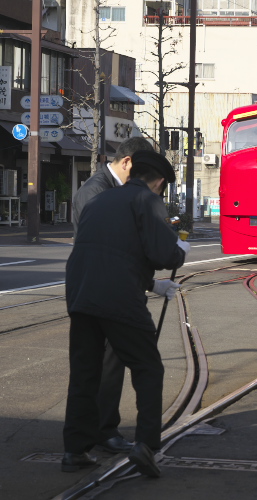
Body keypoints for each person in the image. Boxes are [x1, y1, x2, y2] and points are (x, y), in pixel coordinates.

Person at [62, 151, 189, 477]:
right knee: (148, 368)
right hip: (119, 300)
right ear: (159, 181)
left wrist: (149, 282)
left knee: (85, 373)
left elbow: (112, 253)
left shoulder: (99, 201)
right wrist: (179, 250)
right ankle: (146, 445)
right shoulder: (146, 201)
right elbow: (164, 254)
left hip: (81, 295)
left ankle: (75, 450)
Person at [70, 137, 155, 456]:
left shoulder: (108, 188)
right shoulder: (97, 190)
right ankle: (103, 431)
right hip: (100, 287)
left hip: (95, 285)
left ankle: (82, 442)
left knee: (100, 364)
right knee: (103, 365)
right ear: (129, 162)